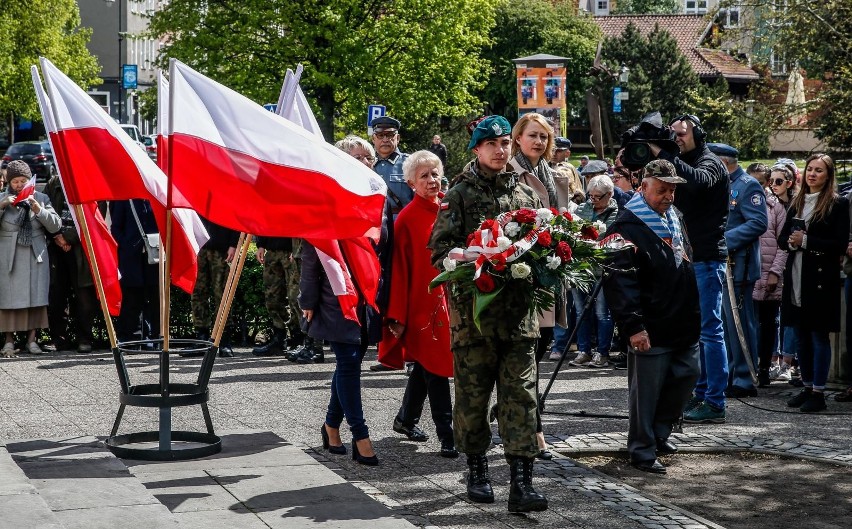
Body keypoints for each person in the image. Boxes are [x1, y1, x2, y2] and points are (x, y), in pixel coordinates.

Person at [429, 115, 547, 513]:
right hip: (475, 321)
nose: (500, 150)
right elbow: (440, 250)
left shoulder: (525, 195)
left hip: (518, 320)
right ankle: (477, 470)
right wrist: (474, 260)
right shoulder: (459, 195)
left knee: (522, 400)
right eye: (491, 144)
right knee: (473, 399)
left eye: (504, 143)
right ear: (476, 150)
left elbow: (539, 245)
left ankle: (521, 484)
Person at [603, 159, 700, 474]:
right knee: (645, 393)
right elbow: (619, 281)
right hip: (650, 323)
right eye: (662, 190)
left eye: (673, 190)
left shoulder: (675, 217)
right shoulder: (624, 227)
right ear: (643, 187)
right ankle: (642, 449)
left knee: (688, 374)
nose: (669, 196)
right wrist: (633, 326)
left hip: (681, 319)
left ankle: (660, 431)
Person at [651, 114, 730, 425]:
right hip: (688, 258)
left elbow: (696, 182)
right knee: (696, 332)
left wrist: (666, 154)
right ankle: (700, 392)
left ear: (698, 133)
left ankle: (715, 401)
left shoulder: (711, 163)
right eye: (672, 135)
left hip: (707, 258)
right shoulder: (683, 161)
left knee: (711, 331)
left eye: (681, 134)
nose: (676, 139)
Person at [378, 150, 456, 458]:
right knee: (435, 367)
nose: (432, 180)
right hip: (421, 305)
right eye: (424, 176)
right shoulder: (407, 219)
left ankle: (406, 418)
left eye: (435, 174)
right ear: (411, 182)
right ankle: (447, 435)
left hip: (448, 299)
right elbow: (398, 270)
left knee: (427, 364)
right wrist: (397, 314)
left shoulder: (448, 210)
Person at [508, 113, 572, 461]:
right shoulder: (508, 175)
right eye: (532, 136)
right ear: (518, 138)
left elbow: (563, 220)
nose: (539, 142)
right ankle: (532, 430)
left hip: (548, 272)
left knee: (541, 346)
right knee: (523, 354)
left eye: (544, 137)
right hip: (519, 273)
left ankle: (519, 419)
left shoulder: (555, 176)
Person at [778, 153, 849, 413]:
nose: (813, 174)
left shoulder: (837, 204)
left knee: (818, 336)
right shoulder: (797, 202)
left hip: (820, 279)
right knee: (800, 335)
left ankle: (818, 391)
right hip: (796, 275)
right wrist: (791, 241)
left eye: (819, 170)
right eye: (810, 169)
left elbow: (839, 244)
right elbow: (782, 237)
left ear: (828, 176)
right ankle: (807, 386)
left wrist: (806, 242)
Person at [708, 143, 767, 399]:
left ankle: (745, 377)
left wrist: (724, 239)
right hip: (723, 265)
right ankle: (731, 373)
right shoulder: (719, 185)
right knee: (725, 325)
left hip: (739, 267)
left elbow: (758, 222)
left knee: (740, 324)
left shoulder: (747, 185)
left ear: (723, 162)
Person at [0, 161, 61, 356]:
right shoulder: (2, 198)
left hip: (36, 254)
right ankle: (9, 340)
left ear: (29, 180)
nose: (19, 184)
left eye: (23, 180)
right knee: (8, 299)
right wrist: (2, 205)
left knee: (36, 297)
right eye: (15, 181)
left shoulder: (41, 197)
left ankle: (32, 340)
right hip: (10, 255)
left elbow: (55, 226)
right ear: (9, 182)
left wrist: (39, 210)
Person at [567, 175, 619, 369]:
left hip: (603, 269)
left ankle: (603, 353)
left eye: (598, 196)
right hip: (581, 268)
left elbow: (614, 241)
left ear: (610, 194)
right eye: (591, 196)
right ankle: (583, 351)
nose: (594, 200)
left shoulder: (617, 213)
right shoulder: (582, 209)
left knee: (602, 313)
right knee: (580, 311)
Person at [44, 173, 97, 353]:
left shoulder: (89, 179)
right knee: (57, 295)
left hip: (82, 249)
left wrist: (67, 238)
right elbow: (43, 211)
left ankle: (85, 338)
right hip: (56, 247)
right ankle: (59, 339)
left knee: (84, 295)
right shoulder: (54, 182)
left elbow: (96, 216)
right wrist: (56, 236)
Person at [752, 168, 788, 388]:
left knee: (767, 325)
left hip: (769, 275)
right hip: (747, 275)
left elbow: (784, 245)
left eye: (759, 181)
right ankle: (747, 367)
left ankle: (764, 368)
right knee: (748, 324)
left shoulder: (776, 209)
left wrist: (775, 272)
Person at [110, 199, 161, 349]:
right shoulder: (124, 199)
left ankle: (154, 337)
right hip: (132, 257)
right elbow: (116, 228)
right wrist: (128, 246)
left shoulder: (155, 195)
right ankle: (132, 337)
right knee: (132, 297)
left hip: (154, 255)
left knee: (155, 297)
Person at [186, 218, 239, 357]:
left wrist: (234, 244)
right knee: (198, 293)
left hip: (222, 247)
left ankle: (223, 341)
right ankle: (201, 337)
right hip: (199, 246)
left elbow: (235, 214)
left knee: (222, 294)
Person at [251, 236, 304, 358]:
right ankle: (279, 338)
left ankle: (299, 339)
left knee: (295, 297)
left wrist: (296, 248)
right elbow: (263, 218)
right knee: (272, 296)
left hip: (292, 249)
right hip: (272, 249)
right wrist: (261, 245)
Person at [371, 116, 412, 215]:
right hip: (375, 224)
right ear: (373, 139)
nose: (385, 140)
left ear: (397, 138)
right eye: (380, 135)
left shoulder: (410, 163)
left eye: (390, 135)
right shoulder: (368, 164)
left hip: (401, 222)